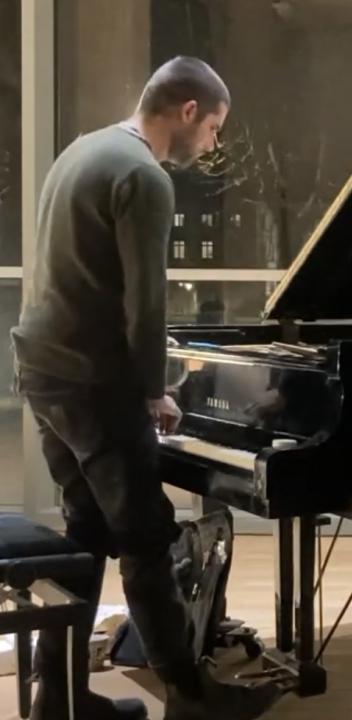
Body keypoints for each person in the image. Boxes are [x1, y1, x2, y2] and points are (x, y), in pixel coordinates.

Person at [11, 56, 278, 720]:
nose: (212, 145)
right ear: (188, 112)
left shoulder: (83, 151)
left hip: (44, 371)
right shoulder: (144, 176)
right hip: (93, 383)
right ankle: (193, 697)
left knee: (85, 529)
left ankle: (58, 693)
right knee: (147, 536)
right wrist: (154, 389)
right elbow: (145, 304)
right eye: (214, 129)